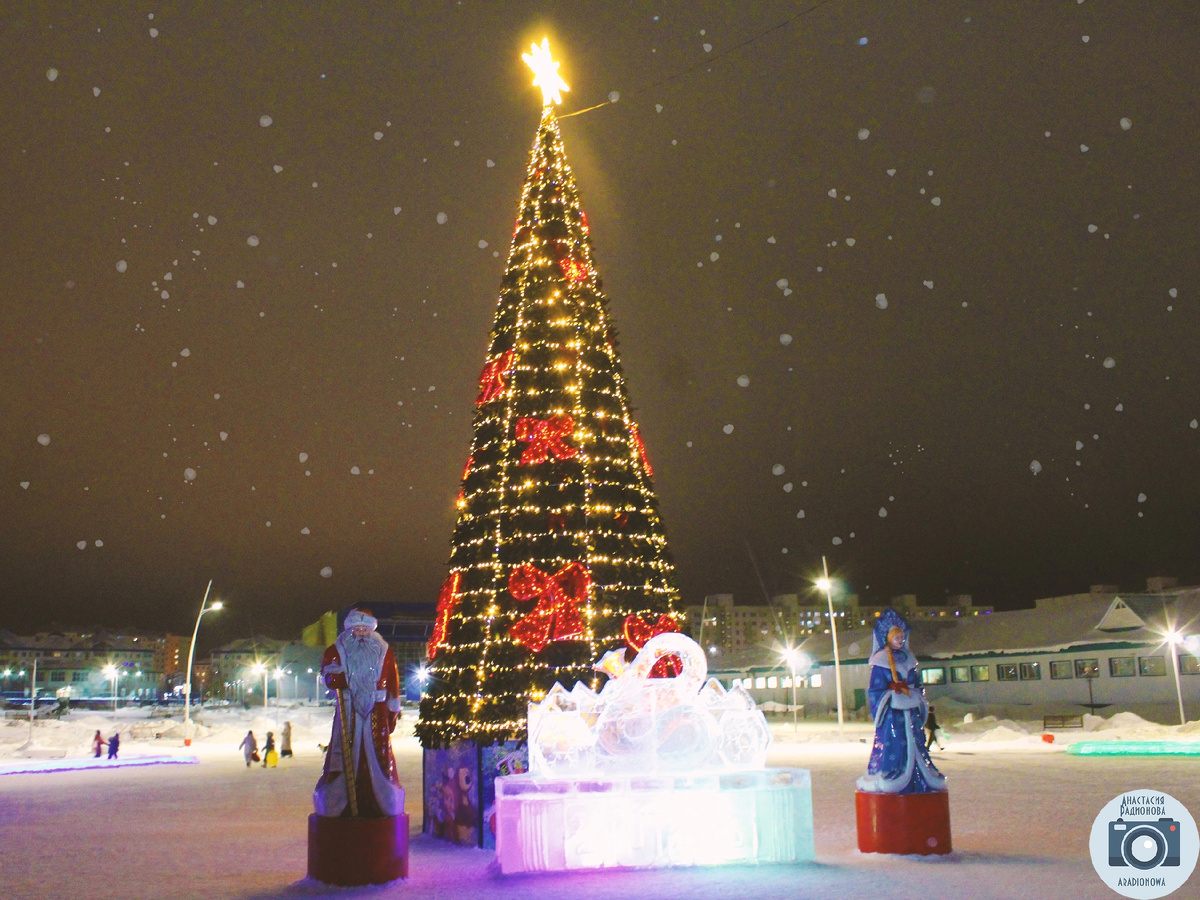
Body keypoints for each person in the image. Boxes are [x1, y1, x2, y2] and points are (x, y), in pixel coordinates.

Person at [313, 609, 405, 818]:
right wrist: (332, 676)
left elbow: (393, 681)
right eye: (358, 629)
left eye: (365, 629)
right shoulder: (337, 649)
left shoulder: (384, 651)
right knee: (344, 753)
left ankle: (381, 799)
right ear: (350, 630)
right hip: (348, 711)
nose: (362, 633)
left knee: (379, 756)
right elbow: (328, 674)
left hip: (377, 711)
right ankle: (339, 800)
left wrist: (392, 708)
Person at [856, 609, 946, 794]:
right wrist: (890, 695)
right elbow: (875, 689)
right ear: (889, 638)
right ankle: (892, 772)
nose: (901, 641)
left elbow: (917, 683)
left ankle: (918, 776)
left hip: (910, 710)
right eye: (897, 638)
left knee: (915, 739)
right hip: (893, 713)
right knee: (894, 740)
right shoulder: (881, 660)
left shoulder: (909, 659)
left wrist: (915, 694)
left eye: (903, 638)